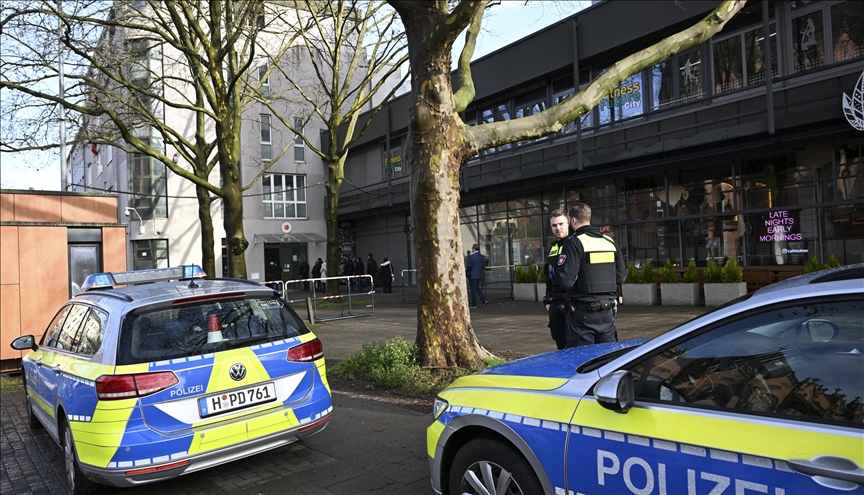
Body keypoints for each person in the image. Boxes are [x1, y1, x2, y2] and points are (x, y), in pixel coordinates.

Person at [553, 202, 626, 348]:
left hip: (582, 314)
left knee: (583, 360)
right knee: (608, 357)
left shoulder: (574, 242)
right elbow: (621, 277)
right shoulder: (609, 241)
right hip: (607, 312)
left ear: (573, 220)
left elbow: (566, 281)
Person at [542, 209, 572, 350]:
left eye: (561, 224)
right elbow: (549, 275)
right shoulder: (553, 247)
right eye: (554, 225)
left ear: (569, 223)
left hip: (572, 303)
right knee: (560, 342)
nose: (558, 228)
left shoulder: (574, 244)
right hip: (555, 304)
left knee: (574, 345)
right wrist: (548, 300)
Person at [466, 243, 488, 308]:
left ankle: (474, 304)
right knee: (477, 288)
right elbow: (483, 265)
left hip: (472, 275)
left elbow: (469, 266)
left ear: (474, 249)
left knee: (473, 290)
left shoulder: (471, 257)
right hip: (479, 274)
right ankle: (484, 299)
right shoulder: (481, 257)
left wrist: (467, 272)